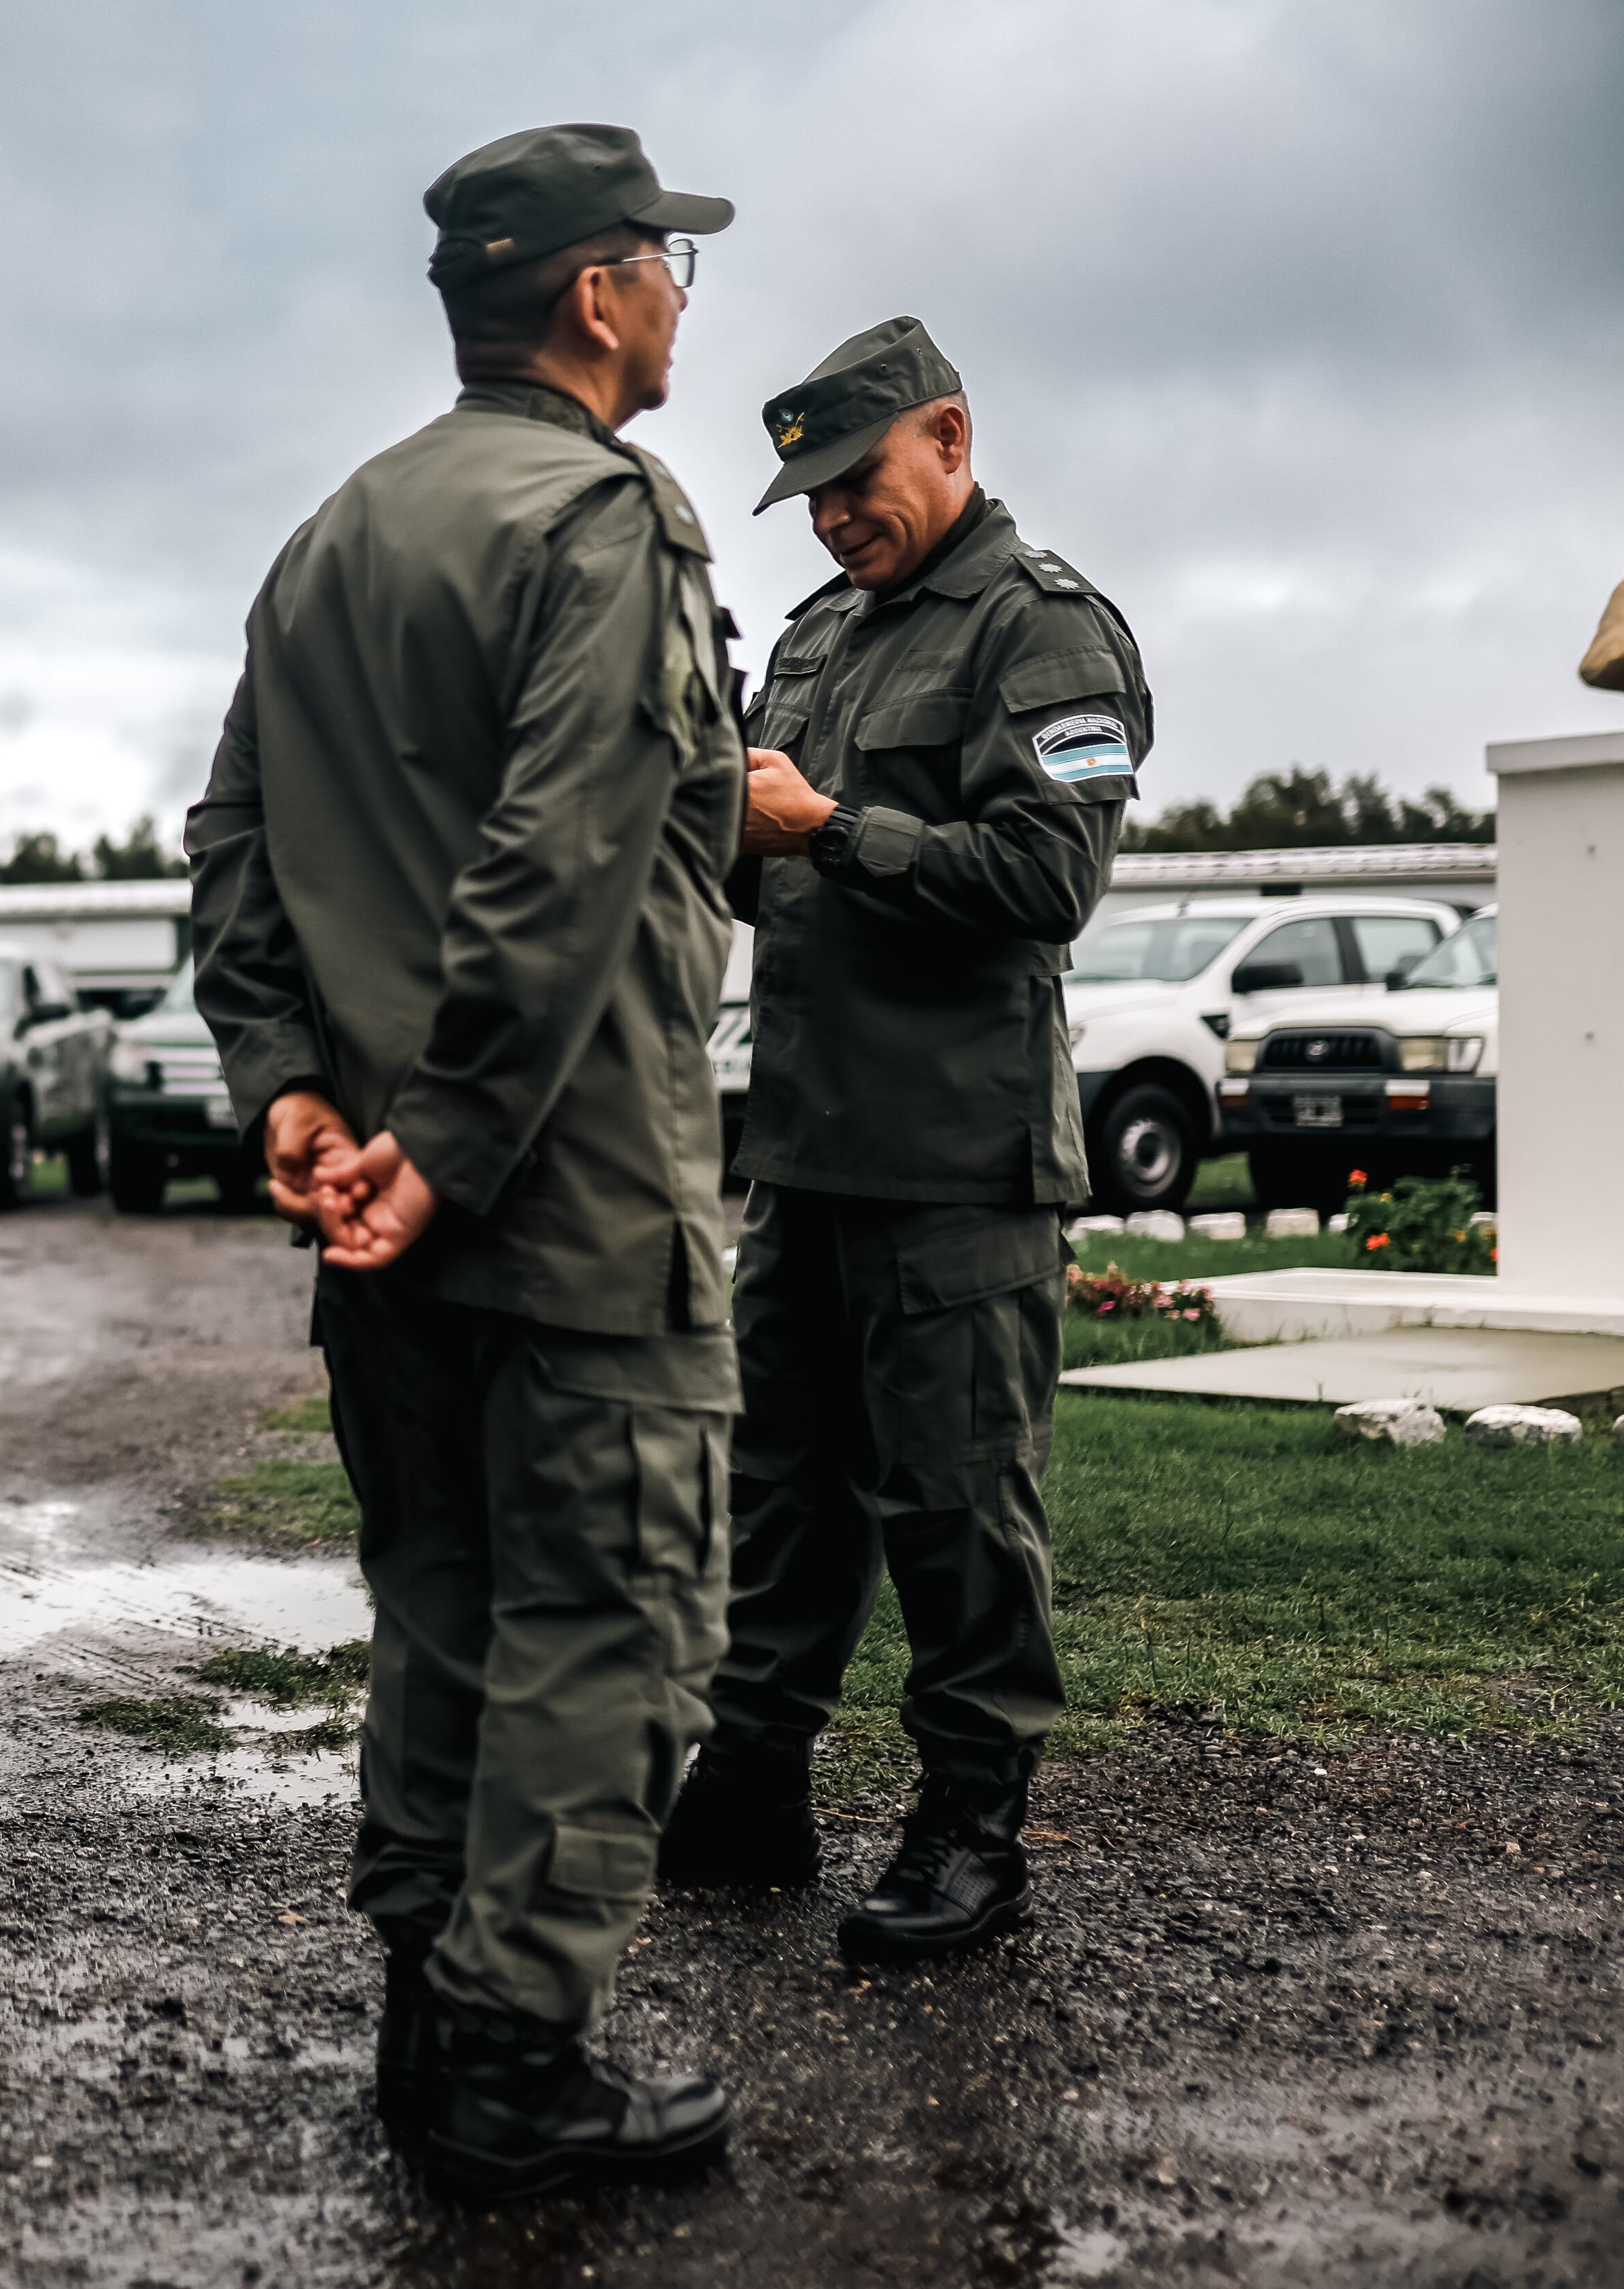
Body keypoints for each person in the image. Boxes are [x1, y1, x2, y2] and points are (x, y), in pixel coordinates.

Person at [187, 125, 745, 2205]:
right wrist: (446, 1133)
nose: (678, 299)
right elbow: (563, 854)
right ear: (596, 296)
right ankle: (512, 2060)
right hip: (566, 1191)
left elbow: (230, 836)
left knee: (439, 1606)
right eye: (665, 265)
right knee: (613, 1614)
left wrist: (290, 1092)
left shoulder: (332, 533)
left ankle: (431, 2017)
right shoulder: (606, 517)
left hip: (383, 1206)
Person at [657, 320, 1150, 1962]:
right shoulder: (818, 637)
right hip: (807, 1150)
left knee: (954, 1502)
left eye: (852, 481)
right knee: (781, 1493)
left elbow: (1048, 880)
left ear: (947, 434)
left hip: (958, 1165)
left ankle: (970, 1830)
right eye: (804, 498)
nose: (828, 519)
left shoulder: (1040, 626)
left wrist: (827, 826)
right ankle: (751, 1785)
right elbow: (772, 876)